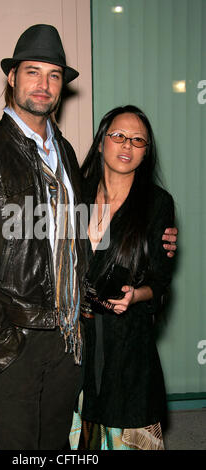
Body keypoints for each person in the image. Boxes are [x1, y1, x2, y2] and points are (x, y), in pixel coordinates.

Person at [0, 24, 177, 450]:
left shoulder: (66, 153)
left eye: (54, 75)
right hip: (18, 339)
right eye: (33, 71)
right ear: (12, 77)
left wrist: (152, 237)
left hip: (71, 337)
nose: (43, 84)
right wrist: (4, 344)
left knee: (58, 449)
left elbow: (86, 235)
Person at [70, 105, 176, 451]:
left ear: (146, 153)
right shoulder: (75, 195)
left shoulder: (157, 203)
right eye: (118, 136)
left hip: (128, 341)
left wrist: (137, 294)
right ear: (102, 142)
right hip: (76, 343)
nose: (127, 145)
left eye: (138, 140)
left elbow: (160, 282)